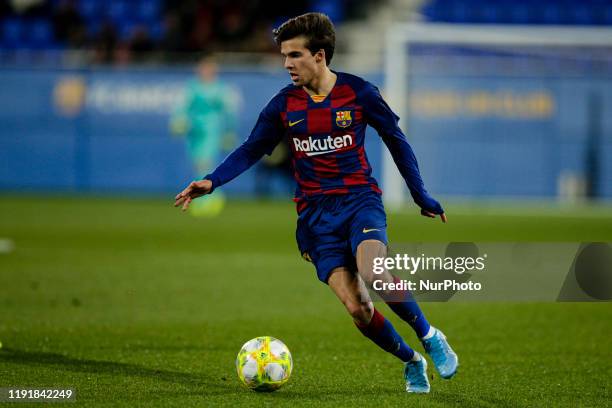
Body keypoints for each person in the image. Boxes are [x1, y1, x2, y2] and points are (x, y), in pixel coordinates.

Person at [174, 13, 457, 393]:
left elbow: (396, 140)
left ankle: (429, 335)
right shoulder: (284, 105)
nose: (286, 64)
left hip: (359, 201)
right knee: (359, 309)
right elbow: (252, 148)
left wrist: (420, 194)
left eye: (294, 55)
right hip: (314, 218)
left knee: (373, 270)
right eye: (284, 56)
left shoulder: (360, 93)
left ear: (319, 56)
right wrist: (212, 181)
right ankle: (411, 359)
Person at [170, 55, 238, 216]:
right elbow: (182, 106)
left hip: (211, 128)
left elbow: (229, 112)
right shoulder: (192, 87)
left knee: (205, 162)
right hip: (194, 130)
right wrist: (178, 121)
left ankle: (211, 199)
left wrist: (229, 132)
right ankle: (204, 197)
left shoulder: (220, 89)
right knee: (197, 163)